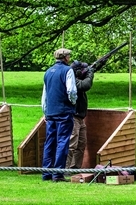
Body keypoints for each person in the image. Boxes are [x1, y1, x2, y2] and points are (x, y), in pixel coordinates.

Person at [41, 48, 77, 182]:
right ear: (66, 58)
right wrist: (73, 103)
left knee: (49, 143)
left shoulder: (48, 72)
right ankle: (58, 174)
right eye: (69, 56)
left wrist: (45, 111)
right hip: (64, 112)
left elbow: (44, 95)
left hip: (50, 113)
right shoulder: (68, 70)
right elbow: (71, 91)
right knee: (62, 142)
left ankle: (46, 174)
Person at [66, 61, 97, 171]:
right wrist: (90, 73)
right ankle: (65, 169)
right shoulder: (72, 80)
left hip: (80, 117)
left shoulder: (77, 77)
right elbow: (86, 85)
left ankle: (75, 168)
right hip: (74, 116)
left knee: (81, 144)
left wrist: (91, 70)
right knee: (71, 144)